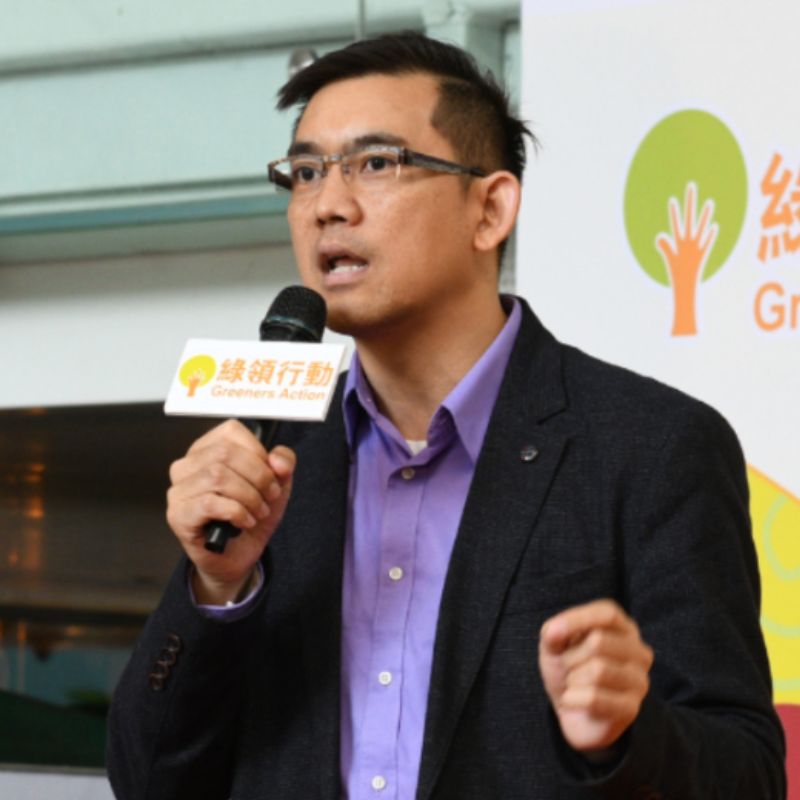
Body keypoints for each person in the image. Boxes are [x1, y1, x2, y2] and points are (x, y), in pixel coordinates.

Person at [107, 32, 786, 799]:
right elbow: (147, 779)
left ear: (490, 208)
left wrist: (627, 733)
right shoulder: (274, 453)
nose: (328, 204)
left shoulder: (651, 447)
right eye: (304, 172)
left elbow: (749, 776)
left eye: (377, 163)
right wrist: (216, 589)